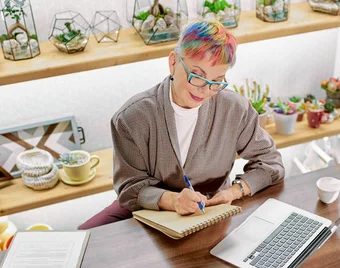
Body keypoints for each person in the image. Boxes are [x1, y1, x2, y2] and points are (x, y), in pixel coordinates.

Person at [79, 21, 284, 229]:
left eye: (217, 81)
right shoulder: (131, 118)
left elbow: (271, 163)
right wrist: (173, 200)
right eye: (197, 76)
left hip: (211, 212)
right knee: (83, 236)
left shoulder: (234, 108)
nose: (204, 90)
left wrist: (234, 191)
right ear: (173, 62)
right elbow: (130, 188)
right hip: (150, 212)